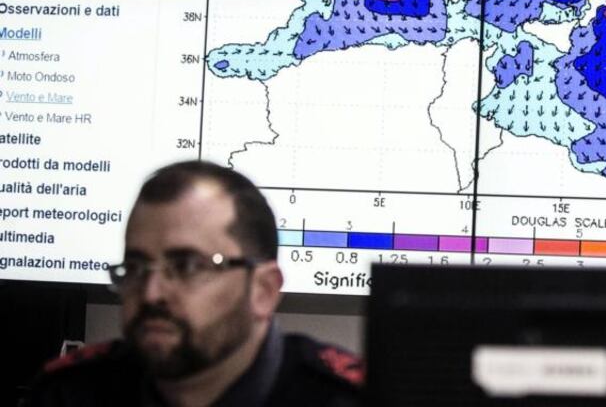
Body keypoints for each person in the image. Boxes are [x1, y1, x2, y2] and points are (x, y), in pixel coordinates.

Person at [25, 161, 364, 407]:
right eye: (136, 267)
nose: (151, 293)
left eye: (187, 266)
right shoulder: (67, 395)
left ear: (263, 291)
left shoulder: (352, 398)